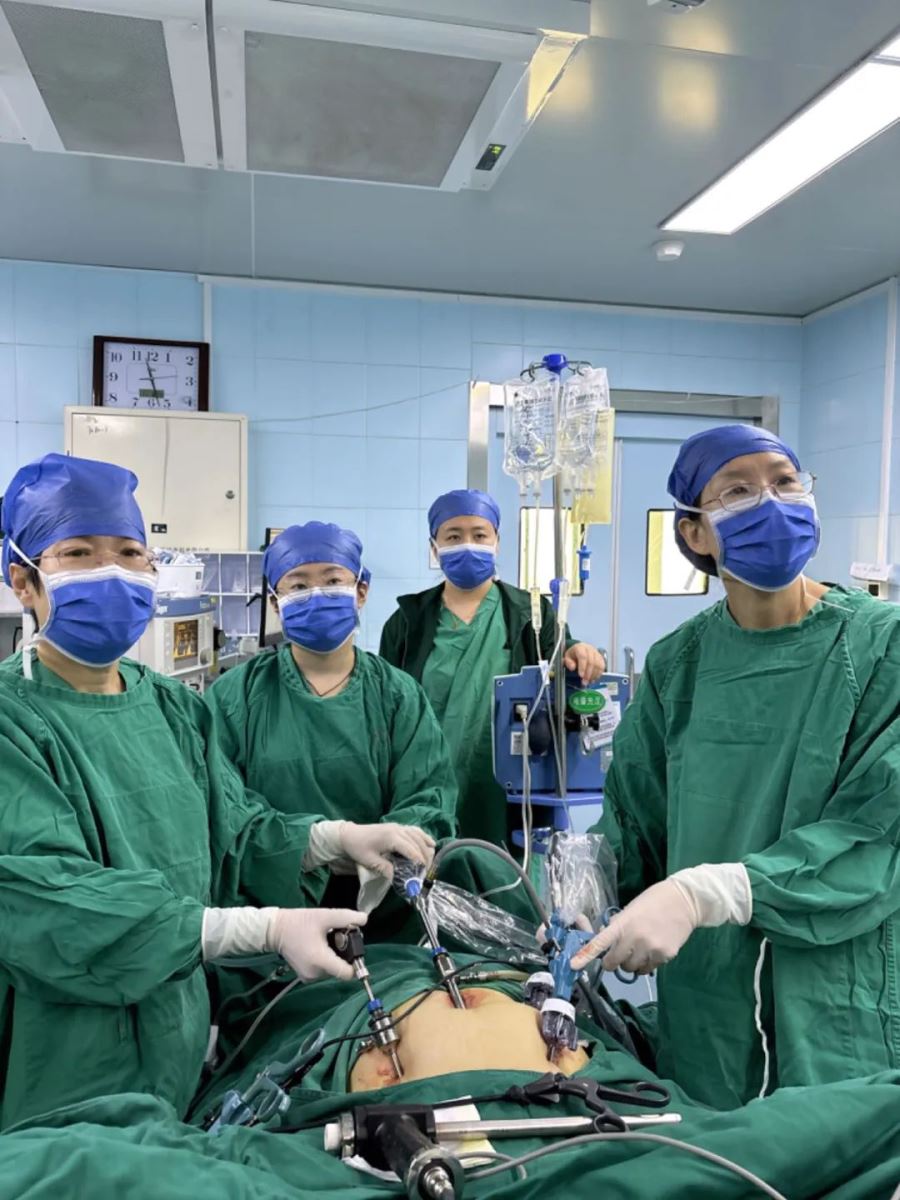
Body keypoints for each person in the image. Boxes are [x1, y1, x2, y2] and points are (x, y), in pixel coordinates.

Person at [0, 454, 429, 1129]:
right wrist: (258, 929)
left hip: (176, 1029)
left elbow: (236, 829)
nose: (112, 570)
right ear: (24, 580)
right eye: (79, 553)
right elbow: (44, 899)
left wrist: (335, 839)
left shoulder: (173, 709)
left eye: (129, 552)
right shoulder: (13, 720)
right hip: (65, 1053)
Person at [571, 424, 900, 1110]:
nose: (772, 503)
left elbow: (877, 833)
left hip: (837, 996)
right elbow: (636, 819)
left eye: (785, 483)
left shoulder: (880, 649)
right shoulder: (678, 663)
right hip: (708, 1000)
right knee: (715, 1151)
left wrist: (708, 893)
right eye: (739, 491)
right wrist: (580, 890)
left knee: (831, 1143)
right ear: (695, 532)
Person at [205, 521, 456, 926]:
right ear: (275, 603)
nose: (316, 594)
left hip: (384, 910)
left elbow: (429, 798)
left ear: (361, 591)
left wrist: (384, 851)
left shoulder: (397, 695)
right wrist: (321, 846)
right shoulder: (236, 698)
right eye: (298, 585)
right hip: (269, 914)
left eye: (333, 580)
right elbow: (225, 809)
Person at [379, 488, 605, 845]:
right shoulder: (407, 622)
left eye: (479, 535)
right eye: (453, 536)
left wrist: (580, 651)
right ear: (434, 548)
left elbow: (561, 655)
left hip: (506, 788)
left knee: (502, 868)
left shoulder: (530, 613)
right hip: (425, 783)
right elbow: (385, 710)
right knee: (430, 864)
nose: (468, 544)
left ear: (497, 542)